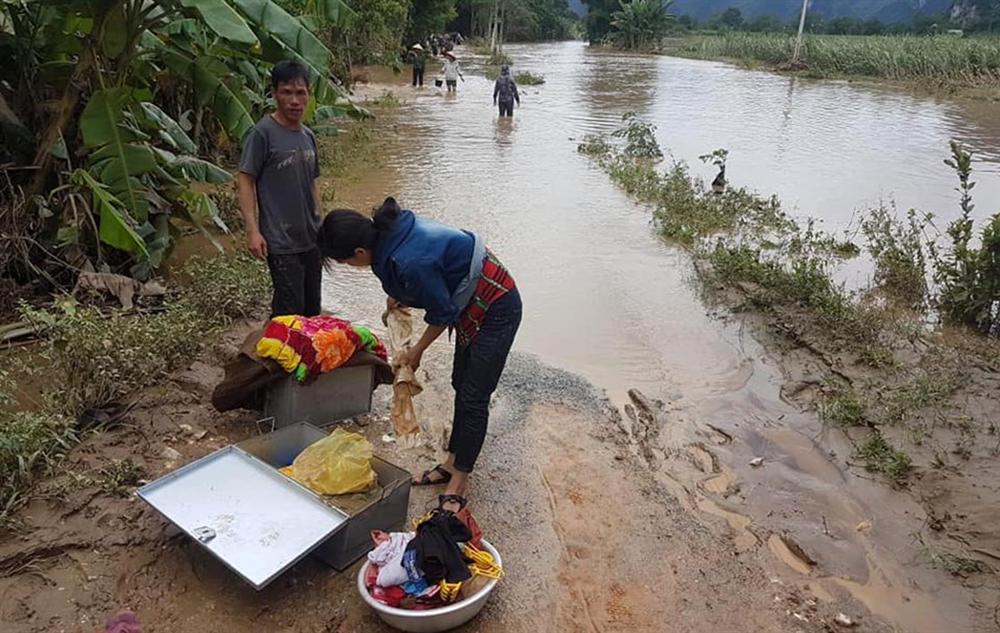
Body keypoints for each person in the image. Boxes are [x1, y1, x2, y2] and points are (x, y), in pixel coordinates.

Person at [317, 198, 522, 514]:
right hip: (470, 303)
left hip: (496, 306)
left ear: (359, 252)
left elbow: (442, 312)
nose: (348, 267)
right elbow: (430, 276)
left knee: (474, 396)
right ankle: (452, 462)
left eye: (344, 262)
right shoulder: (387, 235)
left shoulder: (409, 260)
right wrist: (398, 295)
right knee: (460, 383)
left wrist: (416, 351)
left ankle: (459, 480)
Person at [238, 60, 322, 318]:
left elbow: (311, 182)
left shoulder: (308, 136)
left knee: (312, 310)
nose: (294, 101)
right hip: (281, 241)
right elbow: (245, 180)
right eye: (287, 92)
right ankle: (279, 356)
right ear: (274, 94)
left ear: (309, 94)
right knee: (289, 312)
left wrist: (321, 221)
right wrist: (253, 231)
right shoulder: (262, 133)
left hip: (311, 239)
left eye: (300, 92)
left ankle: (300, 357)